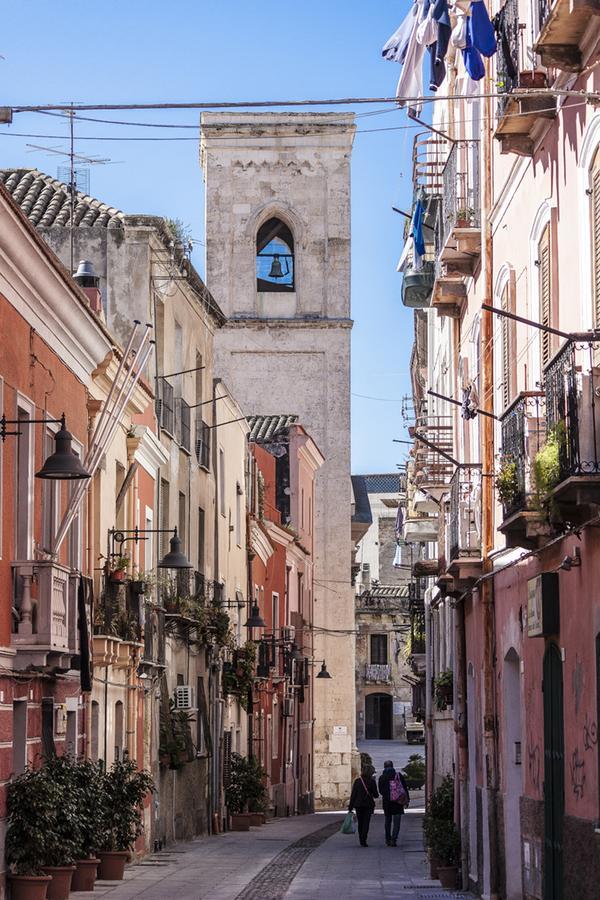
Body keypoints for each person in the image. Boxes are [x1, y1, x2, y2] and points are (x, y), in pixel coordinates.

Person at [378, 760, 410, 847]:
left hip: (387, 802)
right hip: (398, 802)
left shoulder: (382, 777)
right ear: (393, 766)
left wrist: (387, 795)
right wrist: (407, 800)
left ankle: (387, 839)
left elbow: (380, 791)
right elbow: (404, 788)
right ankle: (394, 839)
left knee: (387, 821)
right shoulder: (398, 775)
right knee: (397, 822)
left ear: (384, 767)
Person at [348, 764, 379, 847]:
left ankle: (361, 839)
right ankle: (364, 839)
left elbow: (353, 795)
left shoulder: (357, 781)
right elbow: (376, 795)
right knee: (366, 822)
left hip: (358, 805)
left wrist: (350, 807)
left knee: (360, 822)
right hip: (368, 805)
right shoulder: (372, 781)